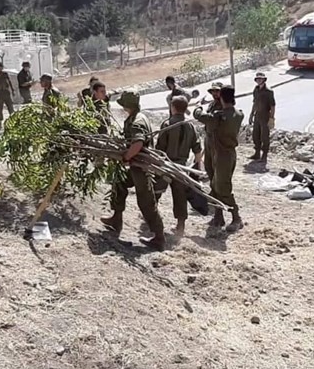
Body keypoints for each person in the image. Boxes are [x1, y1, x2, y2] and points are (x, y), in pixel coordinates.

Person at [101, 91, 165, 251]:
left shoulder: (137, 121)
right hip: (136, 165)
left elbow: (137, 143)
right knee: (120, 182)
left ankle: (159, 237)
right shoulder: (134, 117)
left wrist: (126, 157)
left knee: (146, 201)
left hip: (141, 167)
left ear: (127, 105)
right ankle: (116, 220)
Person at [193, 85, 244, 232]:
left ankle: (236, 217)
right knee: (214, 185)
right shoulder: (237, 114)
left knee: (223, 187)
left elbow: (199, 115)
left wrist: (198, 107)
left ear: (221, 97)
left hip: (223, 155)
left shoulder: (219, 117)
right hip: (217, 152)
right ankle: (218, 215)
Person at [155, 95, 204, 236]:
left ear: (173, 107)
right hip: (181, 167)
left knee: (156, 191)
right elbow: (197, 150)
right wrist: (196, 168)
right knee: (180, 196)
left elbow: (160, 148)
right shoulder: (191, 126)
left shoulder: (167, 124)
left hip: (166, 164)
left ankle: (152, 218)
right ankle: (180, 226)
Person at [248, 72, 275, 162]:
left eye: (261, 79)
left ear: (264, 80)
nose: (259, 80)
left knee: (264, 136)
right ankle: (257, 153)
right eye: (257, 79)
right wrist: (251, 114)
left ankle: (264, 155)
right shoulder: (256, 90)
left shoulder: (269, 91)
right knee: (255, 134)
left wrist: (271, 118)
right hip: (257, 115)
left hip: (265, 115)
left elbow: (272, 106)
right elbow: (254, 103)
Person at [203, 82, 223, 181]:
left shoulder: (224, 105)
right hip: (209, 137)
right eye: (213, 91)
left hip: (217, 139)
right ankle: (212, 185)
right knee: (208, 165)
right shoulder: (212, 104)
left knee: (217, 166)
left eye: (217, 91)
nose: (214, 93)